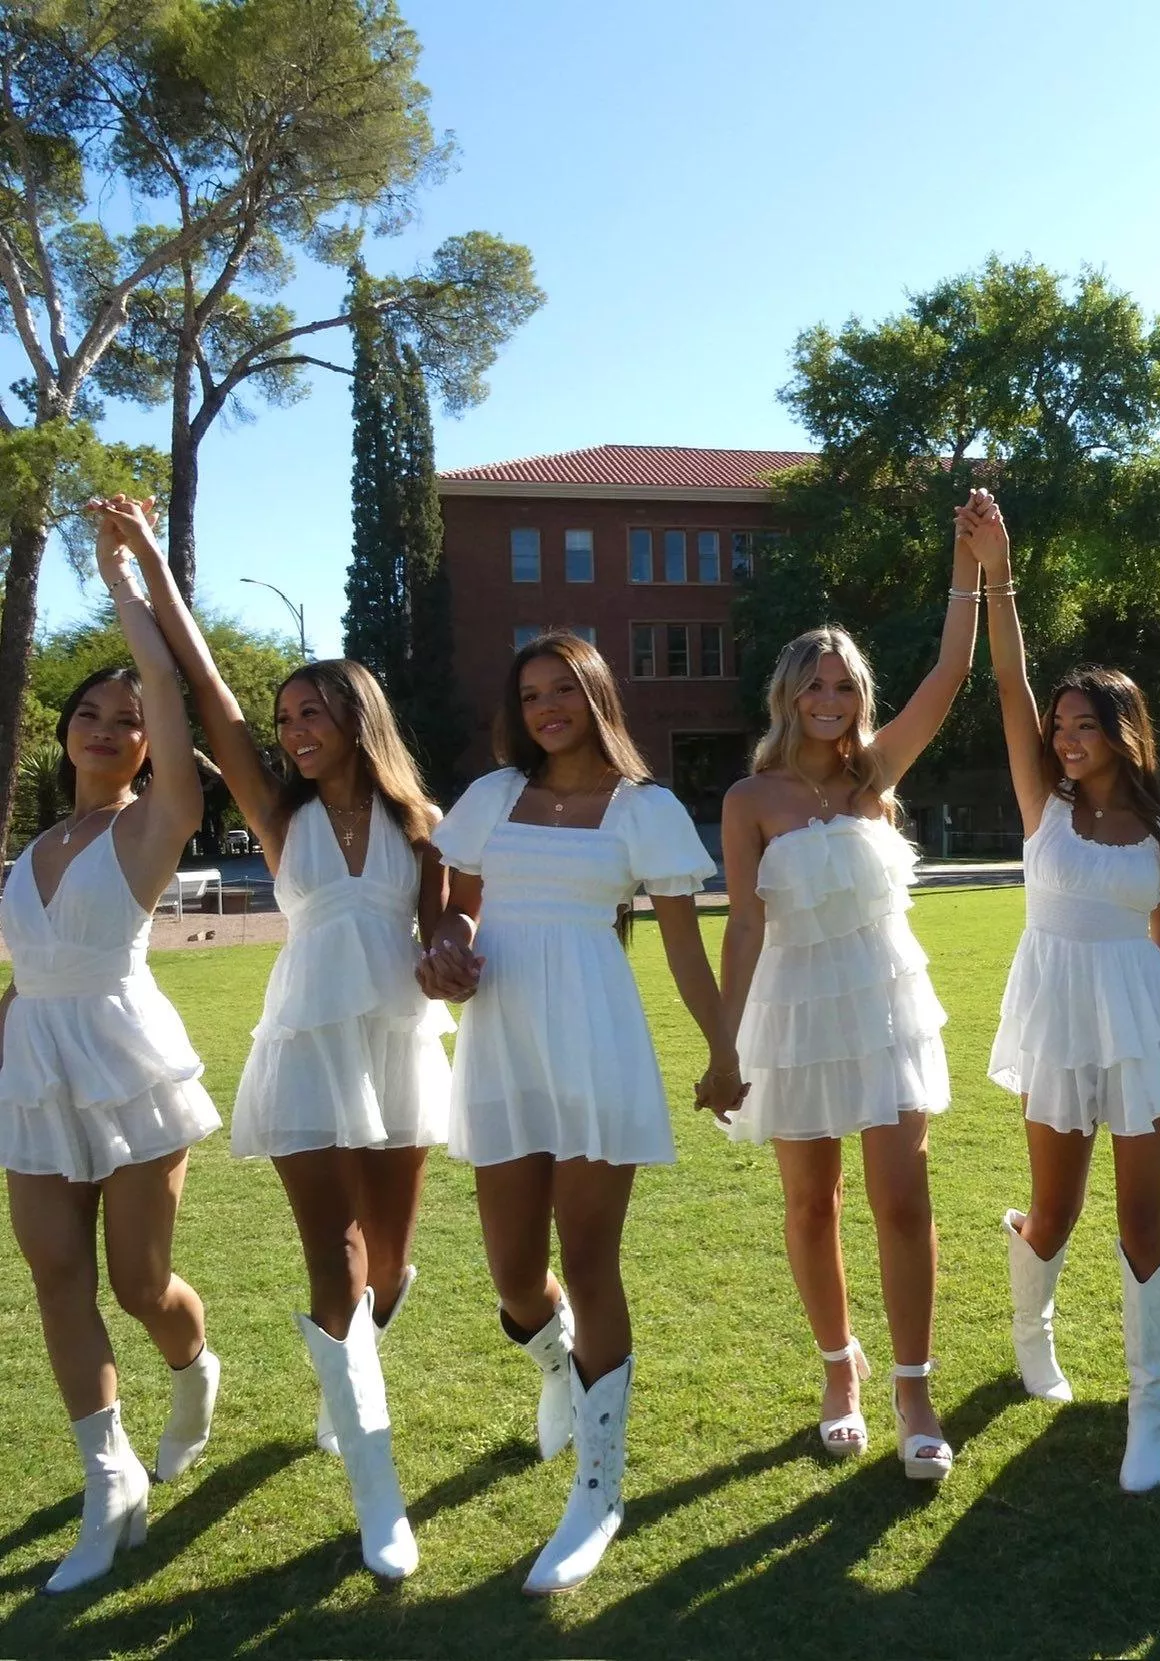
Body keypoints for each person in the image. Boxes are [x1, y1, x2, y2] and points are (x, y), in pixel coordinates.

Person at [125, 505, 450, 1578]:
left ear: (358, 715)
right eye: (285, 717)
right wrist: (150, 575)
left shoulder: (422, 825)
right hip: (307, 1039)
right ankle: (377, 1491)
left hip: (398, 1041)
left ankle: (343, 1373)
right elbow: (209, 698)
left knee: (389, 1264)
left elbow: (454, 923)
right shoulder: (277, 809)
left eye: (312, 712)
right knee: (334, 1255)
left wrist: (455, 939)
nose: (293, 729)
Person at [419, 630, 744, 1595]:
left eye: (564, 688)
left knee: (590, 1254)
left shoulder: (645, 809)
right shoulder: (489, 798)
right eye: (530, 694)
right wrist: (449, 948)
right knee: (516, 1273)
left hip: (598, 1039)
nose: (546, 706)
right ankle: (557, 1361)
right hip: (503, 1038)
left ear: (597, 693)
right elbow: (455, 906)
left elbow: (684, 947)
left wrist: (723, 1046)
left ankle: (600, 1487)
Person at [718, 495, 986, 1484]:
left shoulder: (877, 775)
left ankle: (914, 1388)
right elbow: (744, 924)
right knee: (810, 1203)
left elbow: (952, 674)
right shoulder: (750, 800)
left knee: (903, 1199)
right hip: (793, 1009)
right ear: (788, 694)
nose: (829, 697)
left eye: (844, 684)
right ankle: (842, 1372)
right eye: (814, 683)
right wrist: (721, 1045)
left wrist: (972, 563)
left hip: (884, 1001)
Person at [0, 498, 221, 1593]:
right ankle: (109, 1479)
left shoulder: (155, 818)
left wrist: (126, 579)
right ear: (64, 731)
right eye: (89, 711)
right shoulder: (31, 845)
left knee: (139, 1281)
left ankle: (193, 1366)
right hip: (34, 1071)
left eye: (126, 719)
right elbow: (25, 976)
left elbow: (173, 695)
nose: (106, 725)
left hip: (128, 1059)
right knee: (53, 1277)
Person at [972, 495, 1160, 1493]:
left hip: (1143, 1019)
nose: (1064, 737)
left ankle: (1148, 1407)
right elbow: (1010, 678)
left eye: (1083, 724)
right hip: (1058, 1012)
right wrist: (998, 571)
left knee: (1144, 1218)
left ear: (1121, 729)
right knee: (1055, 1212)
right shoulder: (1043, 806)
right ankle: (1034, 1332)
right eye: (1059, 725)